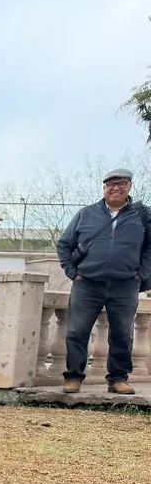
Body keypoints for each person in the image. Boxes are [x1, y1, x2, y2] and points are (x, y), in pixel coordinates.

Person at [55, 167, 151, 395]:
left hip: (125, 284)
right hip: (87, 283)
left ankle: (118, 379)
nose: (115, 188)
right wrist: (72, 272)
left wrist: (141, 274)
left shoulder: (142, 215)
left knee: (122, 334)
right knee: (77, 332)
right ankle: (74, 377)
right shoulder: (86, 214)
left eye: (121, 183)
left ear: (130, 186)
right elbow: (64, 245)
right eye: (111, 184)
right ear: (104, 188)